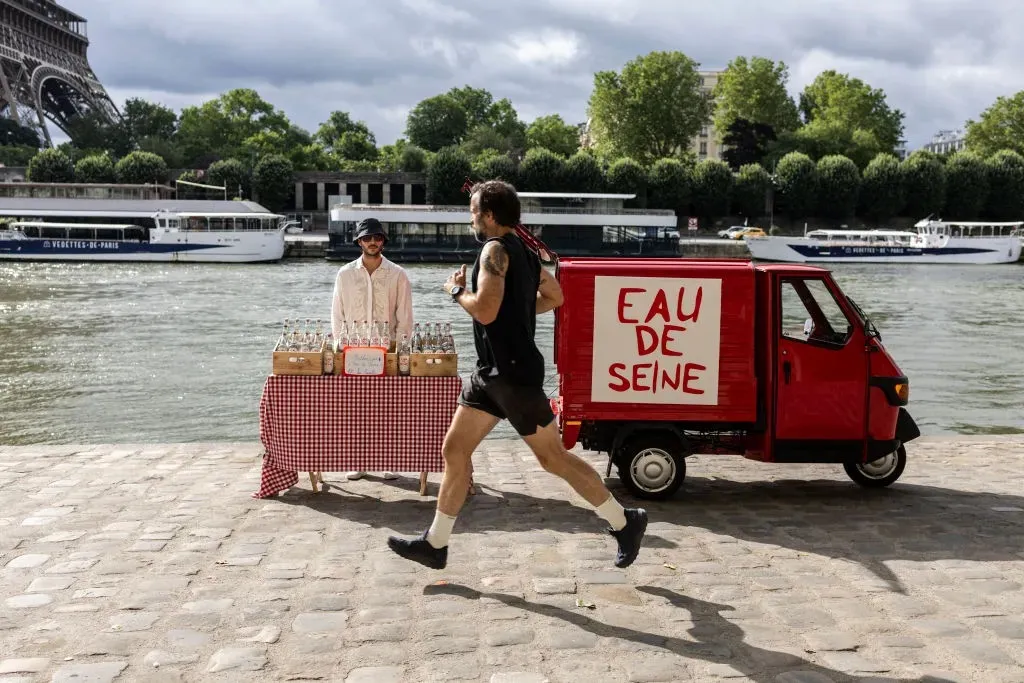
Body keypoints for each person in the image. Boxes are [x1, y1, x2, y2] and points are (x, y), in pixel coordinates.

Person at [387, 180, 647, 570]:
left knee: (554, 459)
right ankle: (436, 543)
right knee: (454, 451)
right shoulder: (526, 253)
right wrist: (518, 313)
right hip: (490, 374)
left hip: (512, 374)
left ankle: (624, 521)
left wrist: (455, 291)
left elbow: (486, 311)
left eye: (473, 211)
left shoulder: (494, 250)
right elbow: (554, 297)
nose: (470, 218)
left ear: (490, 215)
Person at [331, 217, 414, 480]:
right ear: (359, 241)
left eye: (377, 238)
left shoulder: (398, 274)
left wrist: (400, 349)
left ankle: (389, 460)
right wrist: (341, 346)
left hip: (386, 350)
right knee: (355, 409)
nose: (373, 242)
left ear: (383, 241)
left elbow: (405, 316)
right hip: (354, 351)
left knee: (388, 408)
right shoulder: (344, 274)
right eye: (367, 238)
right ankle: (359, 461)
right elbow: (337, 314)